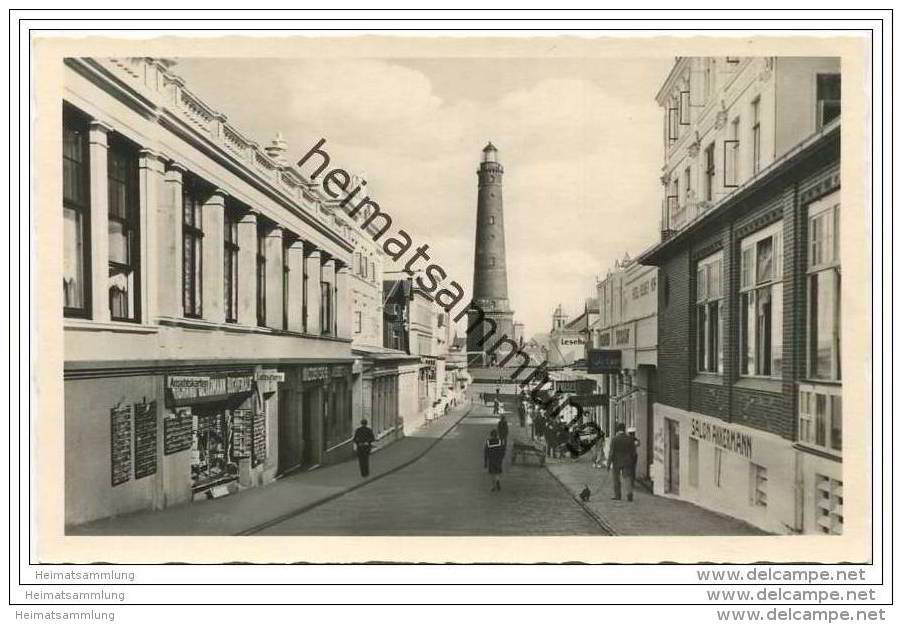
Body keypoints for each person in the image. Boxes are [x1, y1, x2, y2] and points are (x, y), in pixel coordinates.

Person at [607, 422, 637, 501]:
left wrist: (608, 463)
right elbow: (633, 452)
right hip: (627, 461)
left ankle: (618, 496)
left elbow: (611, 452)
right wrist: (633, 462)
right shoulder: (629, 438)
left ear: (617, 430)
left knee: (616, 479)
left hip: (616, 462)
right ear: (624, 429)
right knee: (627, 478)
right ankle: (629, 494)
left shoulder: (614, 439)